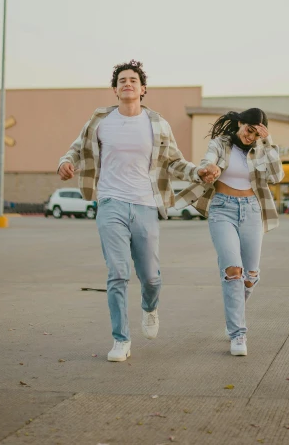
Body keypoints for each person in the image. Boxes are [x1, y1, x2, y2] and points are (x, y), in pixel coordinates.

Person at [57, 60, 219, 363]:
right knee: (117, 273)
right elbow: (76, 149)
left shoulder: (156, 123)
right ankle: (121, 339)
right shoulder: (100, 120)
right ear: (115, 89)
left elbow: (174, 162)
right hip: (110, 203)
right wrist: (65, 163)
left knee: (151, 277)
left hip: (145, 205)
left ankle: (149, 307)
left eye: (133, 80)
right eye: (122, 80)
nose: (127, 83)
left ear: (142, 89)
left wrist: (198, 172)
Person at [175, 108, 284, 357]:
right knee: (233, 271)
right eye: (248, 130)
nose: (250, 136)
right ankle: (238, 333)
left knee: (249, 276)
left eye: (257, 133)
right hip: (222, 209)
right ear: (240, 124)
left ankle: (235, 313)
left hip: (252, 211)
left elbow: (277, 176)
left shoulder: (262, 148)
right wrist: (208, 169)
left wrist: (267, 142)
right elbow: (208, 160)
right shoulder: (221, 144)